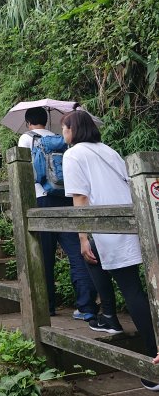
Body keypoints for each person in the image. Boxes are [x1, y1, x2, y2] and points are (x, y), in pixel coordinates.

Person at [62, 110, 159, 392]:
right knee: (103, 264)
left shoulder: (73, 154)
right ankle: (109, 317)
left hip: (110, 227)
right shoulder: (109, 150)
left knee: (132, 290)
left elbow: (80, 197)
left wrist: (82, 236)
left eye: (64, 129)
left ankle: (153, 362)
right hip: (136, 220)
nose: (62, 134)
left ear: (73, 129)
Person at [18, 106, 98, 320]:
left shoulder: (26, 139)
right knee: (76, 253)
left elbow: (26, 173)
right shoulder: (61, 137)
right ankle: (87, 306)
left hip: (41, 199)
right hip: (67, 198)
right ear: (46, 121)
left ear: (27, 123)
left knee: (43, 255)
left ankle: (47, 307)